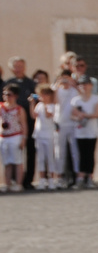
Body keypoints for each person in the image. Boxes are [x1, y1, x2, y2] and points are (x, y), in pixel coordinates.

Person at [5, 59, 37, 189]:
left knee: (30, 151)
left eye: (20, 66)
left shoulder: (31, 84)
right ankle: (13, 180)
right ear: (12, 69)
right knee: (12, 153)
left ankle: (28, 180)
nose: (18, 68)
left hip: (29, 121)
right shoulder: (7, 84)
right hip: (11, 125)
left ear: (24, 67)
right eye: (16, 66)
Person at [69, 76, 98, 188]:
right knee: (81, 154)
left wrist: (84, 115)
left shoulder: (95, 99)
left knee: (90, 154)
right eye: (81, 84)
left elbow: (97, 114)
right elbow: (72, 115)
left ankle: (90, 177)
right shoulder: (75, 100)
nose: (84, 86)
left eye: (86, 84)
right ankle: (81, 177)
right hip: (80, 131)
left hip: (91, 131)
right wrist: (78, 118)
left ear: (91, 86)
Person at [32, 86, 63, 190]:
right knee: (41, 158)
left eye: (45, 94)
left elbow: (49, 115)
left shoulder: (52, 106)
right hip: (39, 134)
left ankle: (51, 179)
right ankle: (42, 179)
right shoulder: (39, 105)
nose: (42, 97)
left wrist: (45, 106)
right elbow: (33, 115)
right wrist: (32, 103)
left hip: (49, 135)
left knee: (50, 158)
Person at [1, 86, 24, 191]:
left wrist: (24, 138)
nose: (7, 97)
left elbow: (24, 124)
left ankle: (19, 184)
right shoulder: (1, 107)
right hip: (3, 136)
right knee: (7, 162)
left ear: (15, 96)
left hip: (15, 135)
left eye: (9, 95)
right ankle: (8, 184)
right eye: (5, 94)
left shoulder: (19, 109)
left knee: (17, 161)